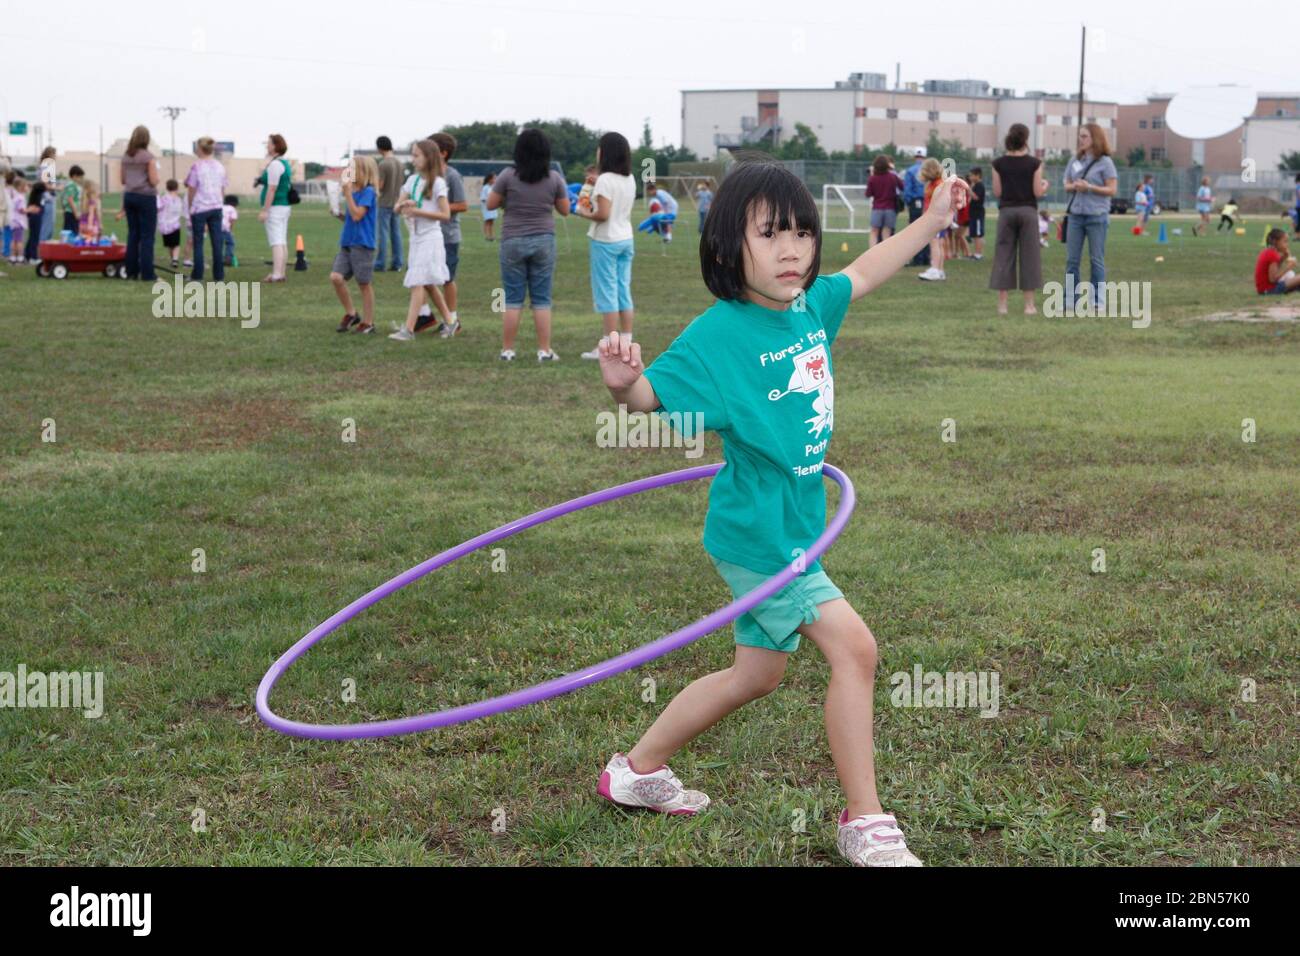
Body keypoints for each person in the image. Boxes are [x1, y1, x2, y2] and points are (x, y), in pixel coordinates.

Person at [593, 157, 970, 867]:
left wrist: (933, 220)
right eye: (770, 235)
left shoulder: (809, 308)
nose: (792, 249)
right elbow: (647, 398)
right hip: (761, 535)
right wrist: (623, 386)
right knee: (856, 650)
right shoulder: (718, 336)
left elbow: (866, 270)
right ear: (728, 246)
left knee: (756, 675)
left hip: (792, 525)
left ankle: (635, 772)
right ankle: (865, 821)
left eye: (801, 233)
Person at [485, 128, 569, 361]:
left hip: (512, 239)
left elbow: (491, 204)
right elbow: (565, 210)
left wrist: (508, 201)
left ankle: (507, 350)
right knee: (541, 299)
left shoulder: (507, 176)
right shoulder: (554, 178)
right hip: (544, 239)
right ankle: (544, 350)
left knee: (512, 298)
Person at [576, 131, 637, 360]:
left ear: (605, 152)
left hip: (605, 241)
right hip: (625, 238)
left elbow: (602, 214)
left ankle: (609, 346)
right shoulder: (629, 178)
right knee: (623, 290)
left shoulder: (605, 180)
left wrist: (583, 212)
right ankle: (626, 340)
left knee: (607, 293)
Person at [387, 139, 454, 342]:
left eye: (417, 155)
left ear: (429, 157)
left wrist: (417, 211)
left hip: (431, 238)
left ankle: (408, 330)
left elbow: (445, 215)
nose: (413, 159)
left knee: (418, 282)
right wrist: (404, 205)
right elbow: (396, 208)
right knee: (428, 284)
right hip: (415, 238)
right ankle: (451, 322)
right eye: (412, 155)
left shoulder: (438, 184)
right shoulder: (412, 181)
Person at [412, 133, 468, 335]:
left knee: (446, 279)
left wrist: (438, 206)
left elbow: (462, 205)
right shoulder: (424, 176)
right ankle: (425, 315)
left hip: (447, 235)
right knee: (422, 274)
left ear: (443, 153)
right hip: (426, 234)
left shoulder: (451, 175)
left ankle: (453, 318)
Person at [989, 122, 1048, 315]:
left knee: (1004, 256)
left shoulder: (998, 164)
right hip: (1028, 212)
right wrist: (1045, 186)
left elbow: (997, 191)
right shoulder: (1035, 163)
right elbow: (1037, 191)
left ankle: (1002, 305)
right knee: (1030, 257)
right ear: (1026, 139)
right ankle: (1029, 305)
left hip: (1006, 212)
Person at [1061, 123, 1119, 312]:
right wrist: (1074, 186)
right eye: (1080, 136)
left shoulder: (1105, 162)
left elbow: (1112, 189)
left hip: (1097, 216)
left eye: (1085, 136)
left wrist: (1090, 188)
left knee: (1096, 259)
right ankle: (1070, 300)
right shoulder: (1075, 160)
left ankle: (1097, 301)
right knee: (1072, 260)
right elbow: (1066, 184)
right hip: (1076, 216)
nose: (1081, 140)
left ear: (1095, 138)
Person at [329, 155, 379, 333]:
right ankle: (351, 313)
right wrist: (338, 214)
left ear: (363, 171)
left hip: (362, 245)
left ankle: (368, 322)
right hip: (347, 243)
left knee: (364, 283)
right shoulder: (354, 192)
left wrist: (348, 194)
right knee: (336, 277)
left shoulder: (368, 192)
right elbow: (352, 217)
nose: (347, 171)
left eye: (351, 168)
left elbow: (358, 215)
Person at [118, 125, 159, 280]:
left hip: (129, 196)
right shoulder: (148, 157)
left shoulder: (126, 157)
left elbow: (123, 180)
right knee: (147, 236)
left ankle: (131, 272)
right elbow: (154, 181)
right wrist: (157, 179)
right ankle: (148, 273)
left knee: (133, 235)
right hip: (146, 197)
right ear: (146, 139)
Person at [185, 137, 228, 281]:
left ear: (201, 149)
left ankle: (197, 275)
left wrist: (190, 206)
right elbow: (222, 188)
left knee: (198, 243)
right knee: (217, 243)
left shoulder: (196, 166)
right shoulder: (220, 167)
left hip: (200, 208)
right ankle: (219, 275)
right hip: (216, 207)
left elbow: (191, 188)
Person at [255, 133, 292, 282]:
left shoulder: (275, 164)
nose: (267, 146)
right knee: (281, 241)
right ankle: (281, 272)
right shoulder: (284, 163)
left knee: (276, 241)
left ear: (276, 146)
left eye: (269, 143)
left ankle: (277, 274)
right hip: (283, 206)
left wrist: (265, 210)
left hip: (276, 207)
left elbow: (272, 189)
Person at [373, 136, 404, 272]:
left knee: (383, 234)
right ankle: (397, 263)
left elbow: (380, 185)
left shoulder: (383, 164)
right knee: (396, 234)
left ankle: (380, 263)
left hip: (384, 202)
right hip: (397, 202)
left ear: (379, 148)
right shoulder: (400, 163)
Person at [918, 158, 947, 280]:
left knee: (935, 243)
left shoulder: (938, 184)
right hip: (936, 218)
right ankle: (939, 270)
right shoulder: (934, 183)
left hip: (936, 218)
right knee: (939, 244)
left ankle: (935, 269)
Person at [865, 154, 903, 247]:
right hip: (890, 208)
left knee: (874, 232)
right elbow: (902, 186)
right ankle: (885, 255)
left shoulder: (872, 178)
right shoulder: (893, 177)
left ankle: (872, 254)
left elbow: (868, 194)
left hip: (877, 208)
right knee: (887, 234)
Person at [901, 148, 930, 267]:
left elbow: (907, 189)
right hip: (928, 201)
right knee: (927, 230)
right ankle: (926, 258)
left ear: (915, 157)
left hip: (915, 202)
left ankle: (917, 258)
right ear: (924, 157)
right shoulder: (930, 170)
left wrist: (909, 202)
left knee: (915, 230)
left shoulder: (910, 170)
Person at [1255, 228, 1300, 294]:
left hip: (1265, 289)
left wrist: (1283, 257)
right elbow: (1273, 279)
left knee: (1294, 277)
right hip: (1269, 290)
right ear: (1275, 242)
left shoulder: (1269, 251)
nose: (1287, 245)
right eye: (1285, 241)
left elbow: (1274, 269)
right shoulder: (1272, 254)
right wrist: (1288, 267)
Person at [157, 180, 184, 270]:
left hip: (165, 225)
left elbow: (158, 207)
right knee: (176, 244)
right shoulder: (179, 199)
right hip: (175, 225)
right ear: (177, 188)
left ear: (167, 187)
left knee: (169, 244)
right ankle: (175, 260)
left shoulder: (164, 198)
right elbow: (181, 211)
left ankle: (173, 259)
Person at [25, 174, 47, 262]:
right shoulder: (39, 197)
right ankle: (33, 257)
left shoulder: (34, 196)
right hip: (36, 218)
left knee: (32, 237)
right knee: (35, 238)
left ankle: (27, 254)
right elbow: (38, 208)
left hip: (34, 218)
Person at [37, 147, 57, 243]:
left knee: (50, 225)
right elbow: (44, 185)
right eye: (54, 154)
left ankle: (47, 249)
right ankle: (43, 248)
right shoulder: (46, 166)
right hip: (47, 199)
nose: (55, 156)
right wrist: (57, 187)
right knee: (47, 226)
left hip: (50, 198)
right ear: (49, 155)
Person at [5, 173, 26, 264]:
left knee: (14, 240)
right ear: (20, 187)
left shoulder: (14, 196)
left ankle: (13, 256)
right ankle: (20, 257)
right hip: (19, 222)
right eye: (25, 186)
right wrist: (29, 210)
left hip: (13, 221)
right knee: (19, 241)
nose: (26, 188)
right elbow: (21, 210)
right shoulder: (20, 197)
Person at [60, 165, 85, 236]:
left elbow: (62, 198)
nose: (81, 179)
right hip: (71, 213)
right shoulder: (72, 185)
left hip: (70, 212)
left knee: (72, 231)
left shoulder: (70, 185)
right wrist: (76, 213)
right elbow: (70, 199)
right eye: (80, 177)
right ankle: (68, 246)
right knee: (71, 233)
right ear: (74, 176)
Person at [967, 167, 986, 259]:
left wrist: (968, 189)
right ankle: (976, 253)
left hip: (978, 213)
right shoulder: (975, 185)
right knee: (974, 234)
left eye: (972, 175)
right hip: (973, 213)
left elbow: (976, 197)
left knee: (978, 234)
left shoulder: (979, 185)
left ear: (977, 175)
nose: (970, 177)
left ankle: (979, 254)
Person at [221, 195, 239, 266]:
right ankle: (228, 259)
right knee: (230, 243)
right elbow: (232, 221)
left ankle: (218, 259)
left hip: (216, 228)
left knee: (219, 244)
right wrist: (230, 231)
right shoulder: (232, 209)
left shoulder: (221, 206)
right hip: (225, 228)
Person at [480, 171, 498, 240]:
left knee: (492, 221)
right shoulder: (485, 187)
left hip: (492, 206)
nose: (495, 180)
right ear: (489, 179)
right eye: (494, 178)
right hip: (486, 207)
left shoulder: (494, 187)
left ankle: (491, 235)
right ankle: (486, 236)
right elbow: (483, 198)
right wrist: (489, 202)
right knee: (487, 221)